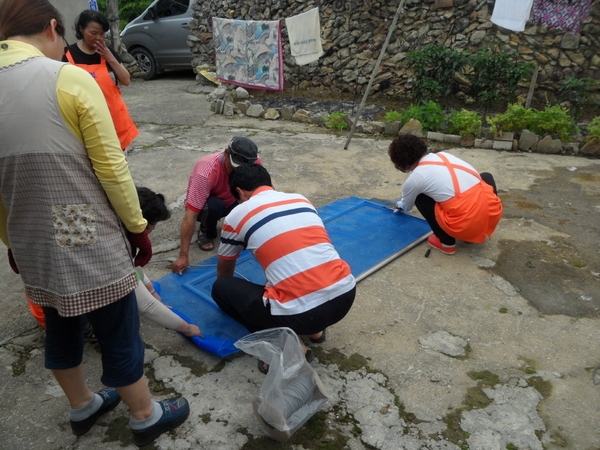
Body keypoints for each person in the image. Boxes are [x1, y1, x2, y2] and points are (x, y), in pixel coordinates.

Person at [0, 1, 188, 447]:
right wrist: (137, 227)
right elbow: (111, 168)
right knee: (118, 326)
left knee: (61, 322)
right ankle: (145, 415)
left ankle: (83, 406)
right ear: (51, 27)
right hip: (82, 230)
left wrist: (11, 240)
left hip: (29, 235)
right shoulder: (66, 78)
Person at [211, 164, 356, 373]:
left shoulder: (237, 214)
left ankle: (288, 348)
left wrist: (233, 294)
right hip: (345, 295)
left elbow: (225, 270)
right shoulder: (300, 198)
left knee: (221, 288)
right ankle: (316, 332)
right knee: (302, 274)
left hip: (303, 314)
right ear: (270, 184)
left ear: (240, 192)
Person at [388, 134, 503, 255]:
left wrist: (399, 205)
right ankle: (473, 233)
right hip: (491, 216)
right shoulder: (444, 155)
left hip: (466, 225)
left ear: (401, 162)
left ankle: (446, 243)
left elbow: (406, 206)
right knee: (485, 177)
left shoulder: (415, 179)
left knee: (420, 196)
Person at [172, 136, 260, 274]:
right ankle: (206, 231)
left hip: (233, 200)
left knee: (253, 195)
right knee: (214, 205)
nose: (238, 172)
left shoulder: (255, 163)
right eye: (235, 167)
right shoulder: (205, 172)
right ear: (226, 153)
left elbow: (265, 194)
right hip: (210, 205)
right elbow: (190, 215)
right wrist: (183, 256)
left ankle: (242, 230)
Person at [63, 9, 138, 151]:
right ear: (81, 29)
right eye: (93, 33)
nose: (99, 38)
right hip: (85, 125)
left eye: (102, 34)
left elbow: (126, 80)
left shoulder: (107, 52)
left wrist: (109, 56)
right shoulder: (67, 55)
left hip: (115, 123)